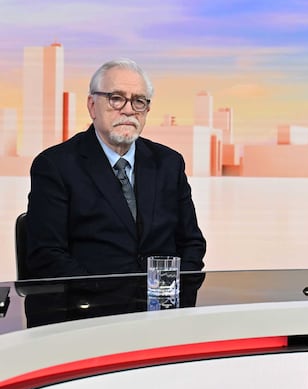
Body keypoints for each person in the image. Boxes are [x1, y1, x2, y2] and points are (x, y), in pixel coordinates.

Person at [25, 58, 206, 278]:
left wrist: (169, 294)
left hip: (162, 304)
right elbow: (47, 256)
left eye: (139, 101)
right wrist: (107, 300)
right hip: (91, 306)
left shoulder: (169, 163)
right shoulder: (55, 166)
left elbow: (192, 245)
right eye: (116, 99)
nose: (129, 110)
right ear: (92, 106)